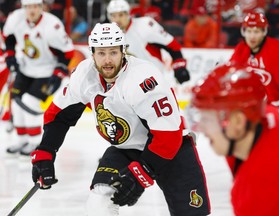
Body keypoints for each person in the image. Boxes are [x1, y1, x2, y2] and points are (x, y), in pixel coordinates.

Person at [30, 22, 211, 216]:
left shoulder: (142, 79)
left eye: (113, 52)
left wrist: (141, 174)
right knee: (98, 202)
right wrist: (45, 152)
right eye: (101, 53)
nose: (107, 60)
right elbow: (59, 116)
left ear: (123, 51)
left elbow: (168, 136)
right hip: (126, 149)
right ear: (92, 53)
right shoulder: (84, 75)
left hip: (171, 150)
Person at [190, 62, 279, 216]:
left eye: (207, 120)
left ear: (237, 121)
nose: (200, 128)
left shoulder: (261, 195)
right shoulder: (268, 117)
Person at [2, 0, 74, 156]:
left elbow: (67, 52)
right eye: (28, 7)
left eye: (35, 6)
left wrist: (59, 72)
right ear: (23, 8)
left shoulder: (52, 25)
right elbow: (8, 38)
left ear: (42, 7)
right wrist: (10, 56)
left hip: (46, 71)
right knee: (16, 102)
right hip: (25, 67)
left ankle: (35, 142)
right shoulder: (16, 18)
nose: (31, 10)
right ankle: (21, 140)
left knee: (30, 102)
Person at [106, 0, 190, 85]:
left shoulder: (144, 25)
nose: (117, 19)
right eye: (113, 16)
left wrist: (179, 67)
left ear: (128, 14)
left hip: (153, 80)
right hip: (128, 84)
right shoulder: (108, 35)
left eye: (121, 15)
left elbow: (172, 45)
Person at [229, 12, 279, 111]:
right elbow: (232, 76)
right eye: (249, 31)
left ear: (264, 32)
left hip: (278, 108)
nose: (252, 36)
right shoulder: (241, 49)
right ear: (244, 32)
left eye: (256, 32)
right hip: (252, 108)